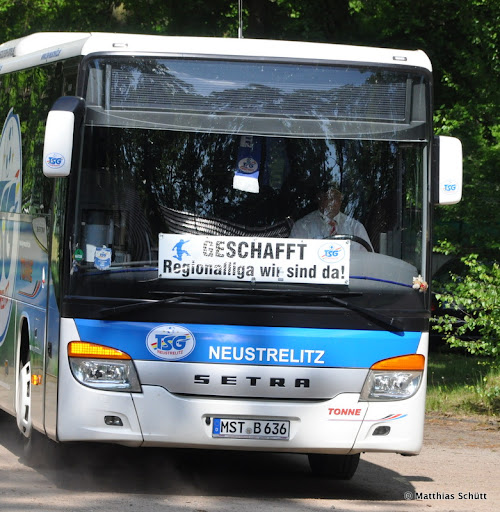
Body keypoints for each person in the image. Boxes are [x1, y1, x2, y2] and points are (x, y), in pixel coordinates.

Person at [290, 188, 373, 251]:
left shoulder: (355, 228)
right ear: (320, 199)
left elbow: (369, 260)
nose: (332, 202)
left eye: (336, 197)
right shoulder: (302, 226)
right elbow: (293, 257)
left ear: (341, 200)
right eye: (328, 197)